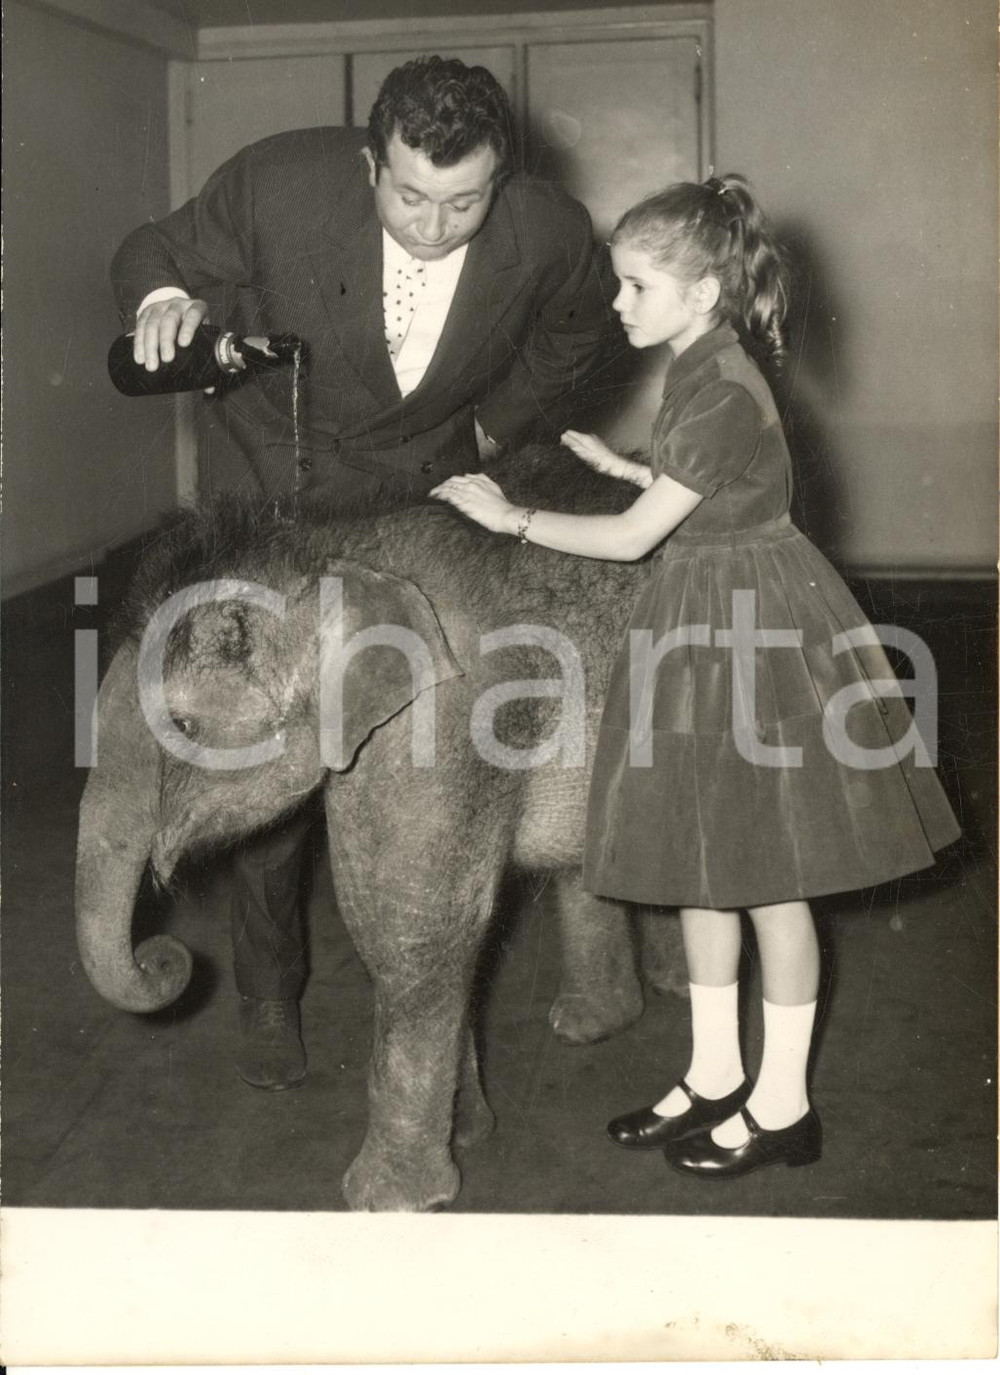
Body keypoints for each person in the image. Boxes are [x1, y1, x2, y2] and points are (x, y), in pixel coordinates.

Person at [432, 172, 960, 1178]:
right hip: (704, 607)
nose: (617, 304)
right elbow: (713, 488)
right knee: (704, 871)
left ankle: (784, 1101)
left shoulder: (716, 384)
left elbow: (636, 539)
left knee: (767, 883)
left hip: (747, 628)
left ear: (704, 293)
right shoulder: (700, 367)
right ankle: (715, 1073)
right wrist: (632, 466)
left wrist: (513, 518)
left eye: (636, 287)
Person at [111, 56, 614, 1090]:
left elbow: (581, 318)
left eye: (463, 201)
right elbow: (153, 249)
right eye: (409, 195)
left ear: (502, 179)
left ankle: (439, 1032)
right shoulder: (276, 183)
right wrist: (163, 299)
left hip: (420, 502)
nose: (433, 226)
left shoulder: (546, 230)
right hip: (273, 491)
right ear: (365, 164)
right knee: (259, 749)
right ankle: (267, 996)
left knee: (423, 763)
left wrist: (495, 423)